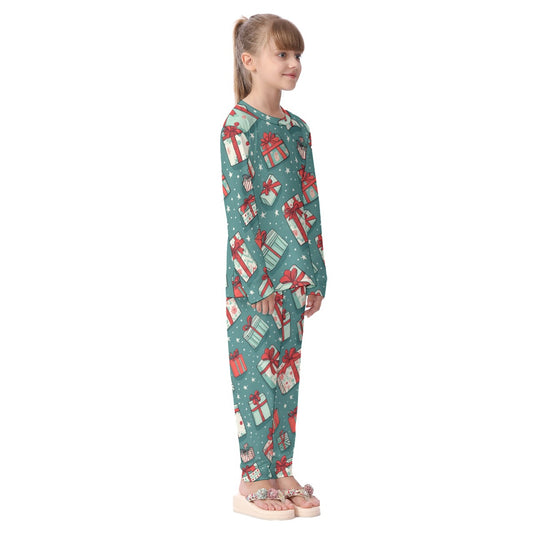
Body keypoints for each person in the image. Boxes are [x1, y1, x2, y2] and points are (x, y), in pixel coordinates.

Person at [221, 14, 327, 520]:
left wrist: (316, 273)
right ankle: (253, 478)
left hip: (294, 277)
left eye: (296, 54)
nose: (293, 63)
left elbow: (310, 202)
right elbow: (239, 208)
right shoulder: (237, 126)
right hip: (255, 282)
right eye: (282, 54)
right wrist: (256, 280)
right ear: (250, 61)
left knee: (286, 377)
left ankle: (280, 468)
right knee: (256, 380)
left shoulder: (297, 129)